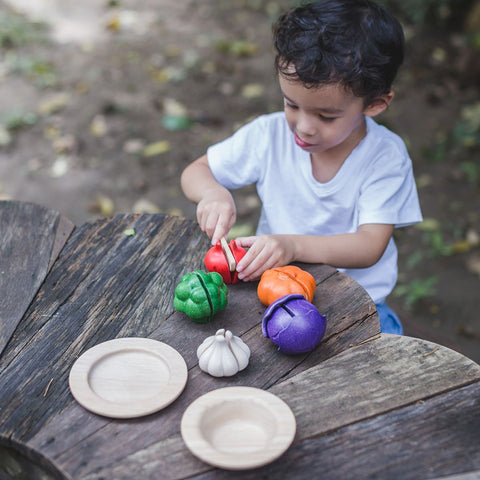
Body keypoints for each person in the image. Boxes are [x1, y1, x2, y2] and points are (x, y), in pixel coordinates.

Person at [180, 0, 422, 334]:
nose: (304, 126)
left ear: (375, 103)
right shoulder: (269, 135)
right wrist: (212, 193)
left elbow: (370, 245)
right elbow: (196, 170)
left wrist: (292, 246)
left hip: (357, 302)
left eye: (326, 116)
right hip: (273, 291)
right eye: (291, 104)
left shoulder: (385, 157)